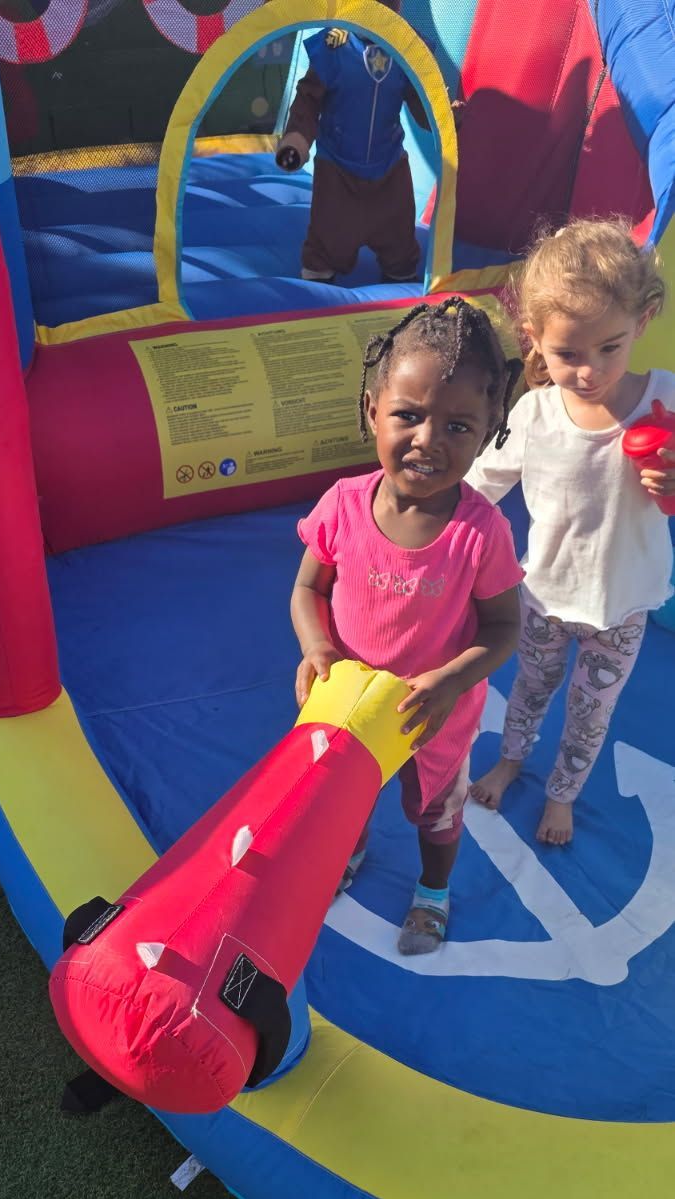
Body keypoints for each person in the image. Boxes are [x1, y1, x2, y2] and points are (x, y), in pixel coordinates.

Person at [291, 297, 523, 955]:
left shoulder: (480, 533)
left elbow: (502, 626)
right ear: (373, 410)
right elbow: (309, 587)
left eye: (457, 426)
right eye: (409, 415)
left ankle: (432, 892)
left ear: (489, 431)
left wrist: (450, 681)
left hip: (433, 718)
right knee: (344, 799)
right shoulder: (342, 505)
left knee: (435, 814)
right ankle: (349, 852)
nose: (428, 440)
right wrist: (316, 647)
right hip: (349, 705)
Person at [467, 218, 675, 845]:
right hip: (545, 597)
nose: (589, 371)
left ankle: (563, 794)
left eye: (610, 347)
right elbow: (479, 486)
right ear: (534, 338)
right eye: (568, 355)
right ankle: (511, 759)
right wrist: (424, 518)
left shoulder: (665, 401)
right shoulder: (535, 413)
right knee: (529, 689)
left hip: (622, 606)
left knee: (591, 713)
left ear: (643, 320)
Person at [275, 1, 440, 284]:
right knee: (328, 233)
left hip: (389, 166)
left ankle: (399, 270)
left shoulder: (407, 45)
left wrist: (445, 115)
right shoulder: (334, 45)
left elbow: (422, 102)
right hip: (338, 167)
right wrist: (297, 140)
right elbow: (308, 98)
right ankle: (319, 275)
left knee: (398, 235)